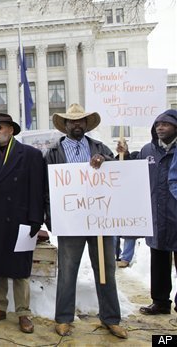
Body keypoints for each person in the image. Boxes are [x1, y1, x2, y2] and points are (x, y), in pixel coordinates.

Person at [44, 103, 127, 339]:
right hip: (71, 220)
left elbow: (118, 173)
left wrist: (110, 159)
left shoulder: (100, 147)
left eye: (81, 121)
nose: (77, 124)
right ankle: (63, 318)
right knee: (68, 270)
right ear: (66, 125)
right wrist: (52, 217)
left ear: (86, 124)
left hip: (100, 218)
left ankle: (111, 318)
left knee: (106, 269)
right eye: (73, 121)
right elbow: (47, 188)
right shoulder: (52, 152)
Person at [0, 113, 45, 334]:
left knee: (20, 269)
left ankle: (23, 312)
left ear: (11, 130)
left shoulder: (31, 155)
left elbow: (38, 189)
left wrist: (36, 219)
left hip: (20, 218)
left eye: (0, 127)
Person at [135, 109, 177, 315]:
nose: (160, 127)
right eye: (157, 124)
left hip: (176, 215)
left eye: (166, 124)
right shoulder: (147, 150)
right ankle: (160, 302)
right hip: (157, 217)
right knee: (158, 261)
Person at [113, 148, 140, 268]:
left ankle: (125, 258)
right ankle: (116, 255)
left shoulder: (137, 166)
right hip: (118, 200)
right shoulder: (116, 163)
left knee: (129, 233)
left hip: (132, 201)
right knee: (114, 231)